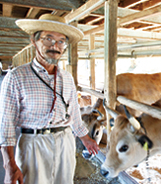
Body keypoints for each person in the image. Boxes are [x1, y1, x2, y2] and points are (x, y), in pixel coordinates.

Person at [0, 14, 99, 184]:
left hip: (65, 142)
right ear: (34, 40)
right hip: (33, 144)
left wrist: (85, 138)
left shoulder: (67, 78)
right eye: (48, 38)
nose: (55, 46)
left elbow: (74, 114)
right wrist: (9, 165)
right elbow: (6, 124)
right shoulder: (16, 77)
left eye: (61, 41)